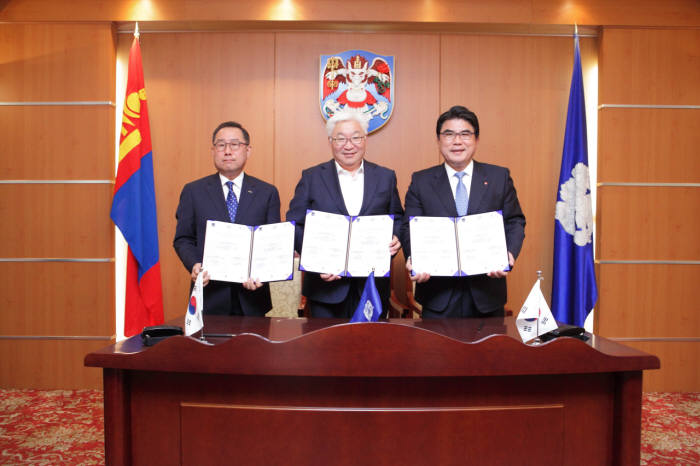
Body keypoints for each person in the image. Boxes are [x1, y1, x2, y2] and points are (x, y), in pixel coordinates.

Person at [401, 105, 526, 318]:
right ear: (439, 140)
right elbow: (409, 227)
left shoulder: (499, 177)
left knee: (487, 352)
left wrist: (509, 254)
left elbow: (514, 221)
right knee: (437, 353)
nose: (457, 141)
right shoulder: (421, 181)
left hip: (487, 293)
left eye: (465, 134)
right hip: (437, 295)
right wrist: (416, 258)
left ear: (476, 139)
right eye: (449, 134)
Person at [286, 111, 404, 318]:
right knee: (325, 349)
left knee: (371, 348)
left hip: (371, 287)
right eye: (340, 139)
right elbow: (294, 226)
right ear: (330, 141)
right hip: (325, 290)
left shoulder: (385, 177)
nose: (348, 145)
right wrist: (318, 259)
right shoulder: (312, 177)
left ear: (365, 139)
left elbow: (397, 218)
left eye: (355, 138)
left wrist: (397, 238)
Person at [174, 121, 280, 316]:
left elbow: (271, 245)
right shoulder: (193, 191)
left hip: (253, 299)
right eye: (221, 145)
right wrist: (194, 264)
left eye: (235, 144)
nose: (228, 151)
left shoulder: (267, 193)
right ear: (213, 150)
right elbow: (183, 239)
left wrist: (262, 274)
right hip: (209, 297)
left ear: (248, 150)